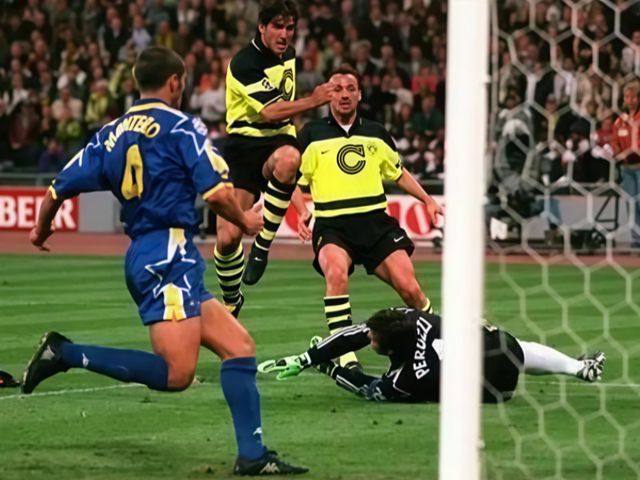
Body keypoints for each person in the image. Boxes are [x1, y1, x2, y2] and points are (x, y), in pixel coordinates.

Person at [23, 46, 307, 476]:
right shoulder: (182, 127)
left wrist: (41, 230)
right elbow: (216, 193)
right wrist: (246, 220)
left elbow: (57, 189)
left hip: (156, 251)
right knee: (177, 374)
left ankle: (252, 456)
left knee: (239, 347)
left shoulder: (110, 133)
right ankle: (65, 353)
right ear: (175, 82)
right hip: (167, 255)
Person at [292, 64, 442, 368]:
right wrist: (301, 210)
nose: (344, 95)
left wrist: (426, 199)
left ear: (359, 95)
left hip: (376, 224)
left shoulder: (376, 133)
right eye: (337, 89)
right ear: (328, 95)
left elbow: (398, 173)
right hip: (332, 226)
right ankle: (345, 353)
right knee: (336, 273)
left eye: (350, 89)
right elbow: (289, 181)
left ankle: (440, 343)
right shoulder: (310, 134)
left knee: (410, 288)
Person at [215, 0, 335, 313]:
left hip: (277, 138)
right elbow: (269, 111)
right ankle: (232, 300)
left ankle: (262, 246)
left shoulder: (288, 55)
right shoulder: (244, 63)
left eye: (290, 27)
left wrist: (301, 206)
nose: (284, 34)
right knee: (227, 239)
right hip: (242, 145)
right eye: (278, 27)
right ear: (262, 27)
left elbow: (278, 120)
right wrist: (314, 100)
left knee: (290, 159)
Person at [258, 307, 606, 403]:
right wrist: (307, 356)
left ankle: (578, 367)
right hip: (502, 347)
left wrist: (328, 369)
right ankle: (578, 367)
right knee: (517, 348)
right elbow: (358, 332)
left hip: (493, 392)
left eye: (373, 340)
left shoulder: (407, 379)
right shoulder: (410, 318)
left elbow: (367, 387)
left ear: (390, 349)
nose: (368, 339)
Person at [611, 80, 640, 249]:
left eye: (633, 97)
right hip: (627, 168)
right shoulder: (620, 121)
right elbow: (615, 141)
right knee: (631, 203)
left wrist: (632, 150)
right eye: (627, 97)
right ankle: (636, 238)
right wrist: (614, 150)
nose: (630, 100)